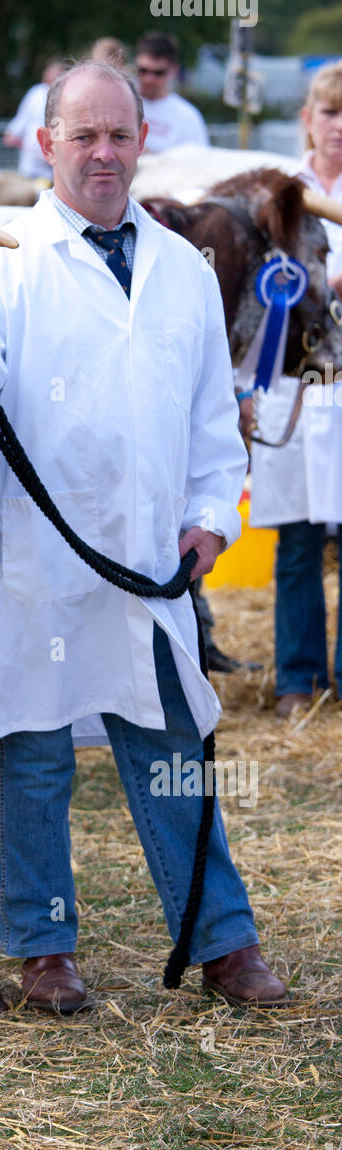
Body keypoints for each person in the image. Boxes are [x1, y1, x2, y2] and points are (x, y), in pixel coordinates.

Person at [0, 60, 287, 1011]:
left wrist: (209, 517)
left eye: (119, 135)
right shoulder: (1, 262)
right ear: (47, 144)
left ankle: (223, 945)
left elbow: (211, 418)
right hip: (41, 561)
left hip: (151, 564)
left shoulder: (183, 271)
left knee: (171, 749)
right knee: (35, 761)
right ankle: (45, 948)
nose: (103, 153)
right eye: (84, 136)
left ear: (143, 140)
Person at [247, 62, 342, 717]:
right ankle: (298, 678)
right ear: (307, 118)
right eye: (330, 113)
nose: (339, 128)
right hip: (297, 383)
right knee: (300, 537)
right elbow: (254, 288)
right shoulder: (274, 196)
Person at [135, 32, 209, 154]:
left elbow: (199, 164)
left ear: (173, 70)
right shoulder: (122, 106)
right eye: (143, 71)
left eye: (158, 73)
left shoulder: (187, 116)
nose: (149, 79)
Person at [3, 58, 63, 179]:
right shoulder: (36, 92)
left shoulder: (65, 94)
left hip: (53, 155)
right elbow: (24, 116)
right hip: (31, 152)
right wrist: (12, 132)